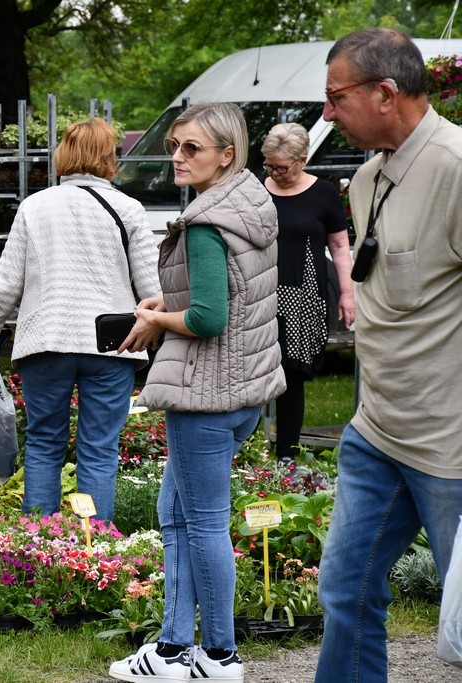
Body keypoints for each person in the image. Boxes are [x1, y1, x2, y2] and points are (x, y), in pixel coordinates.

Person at [108, 102, 285, 683]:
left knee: (202, 523)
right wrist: (169, 304)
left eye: (193, 148)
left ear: (226, 155)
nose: (177, 156)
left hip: (206, 393)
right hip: (244, 391)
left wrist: (161, 321)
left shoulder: (208, 223)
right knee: (175, 513)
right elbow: (230, 295)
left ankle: (220, 656)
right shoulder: (251, 201)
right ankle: (172, 649)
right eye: (175, 145)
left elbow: (209, 318)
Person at [314, 28, 462, 683]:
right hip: (377, 434)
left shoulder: (456, 168)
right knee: (345, 592)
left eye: (334, 97)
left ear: (385, 93)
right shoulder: (369, 177)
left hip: (450, 447)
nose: (325, 113)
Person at [0, 117, 161, 523]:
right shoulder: (128, 209)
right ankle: (95, 548)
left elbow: (5, 286)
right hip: (113, 346)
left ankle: (39, 542)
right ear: (110, 158)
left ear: (64, 156)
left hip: (46, 341)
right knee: (100, 448)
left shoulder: (34, 207)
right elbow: (152, 290)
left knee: (43, 443)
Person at [260, 123, 355, 466]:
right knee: (252, 369)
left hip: (303, 297)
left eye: (281, 167)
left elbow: (339, 244)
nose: (274, 172)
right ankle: (251, 445)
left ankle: (286, 453)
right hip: (260, 294)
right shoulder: (258, 189)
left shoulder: (323, 193)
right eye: (269, 165)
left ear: (302, 160)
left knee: (291, 374)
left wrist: (347, 293)